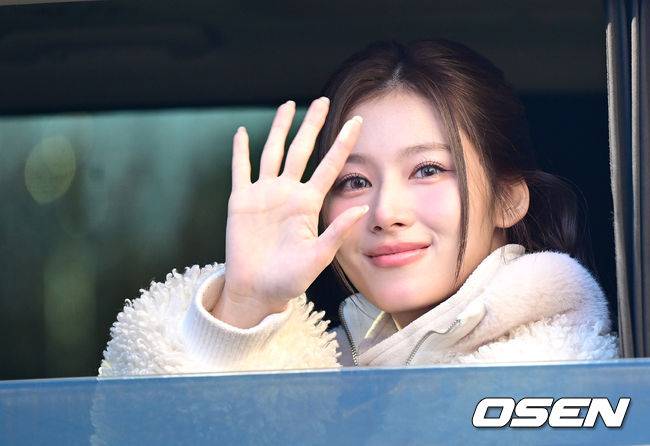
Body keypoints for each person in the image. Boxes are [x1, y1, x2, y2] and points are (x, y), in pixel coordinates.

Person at [98, 39, 618, 376]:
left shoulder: (568, 387)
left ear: (508, 198)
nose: (385, 212)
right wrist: (242, 305)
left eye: (428, 170)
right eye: (354, 181)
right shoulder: (329, 379)